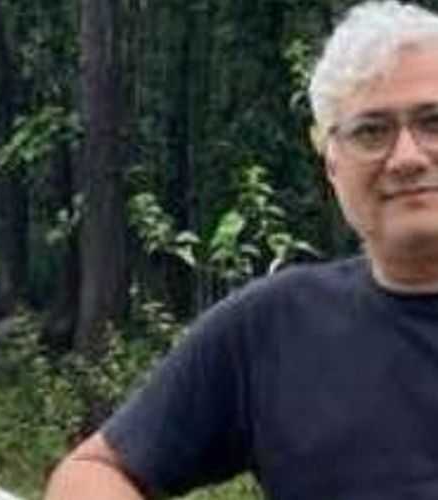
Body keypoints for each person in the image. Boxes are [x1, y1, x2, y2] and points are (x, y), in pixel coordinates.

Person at [45, 1, 438, 498]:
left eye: (433, 121)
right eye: (371, 131)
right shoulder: (276, 327)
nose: (406, 158)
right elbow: (90, 472)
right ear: (332, 164)